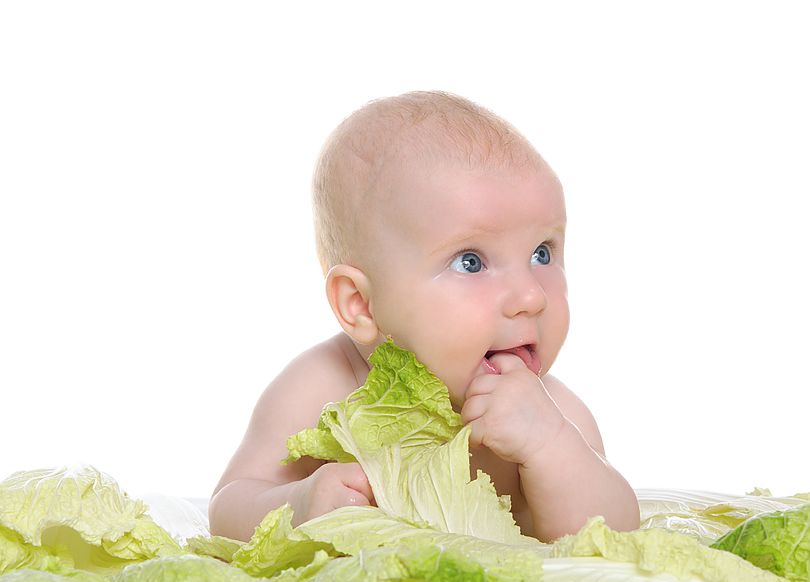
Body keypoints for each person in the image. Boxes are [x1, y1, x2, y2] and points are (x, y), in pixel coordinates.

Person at [209, 91, 640, 544]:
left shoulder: (553, 413)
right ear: (359, 303)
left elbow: (615, 536)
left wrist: (552, 448)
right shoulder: (319, 389)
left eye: (542, 252)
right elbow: (230, 504)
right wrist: (298, 505)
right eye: (470, 261)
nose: (531, 296)